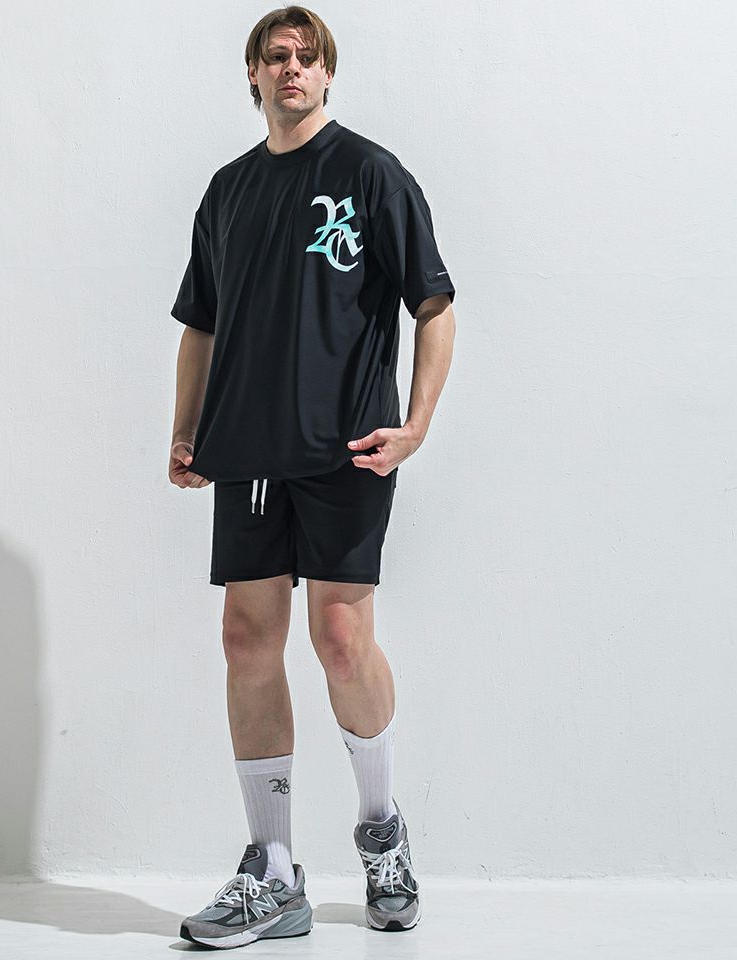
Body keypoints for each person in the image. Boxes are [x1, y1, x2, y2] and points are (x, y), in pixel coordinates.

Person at [168, 5, 456, 949]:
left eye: (306, 56)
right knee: (246, 642)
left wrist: (416, 426)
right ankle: (274, 870)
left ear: (328, 74)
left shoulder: (371, 173)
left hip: (348, 448)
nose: (290, 68)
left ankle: (382, 834)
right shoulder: (228, 190)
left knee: (340, 639)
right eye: (274, 56)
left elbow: (434, 305)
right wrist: (185, 428)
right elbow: (202, 323)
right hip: (248, 450)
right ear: (252, 76)